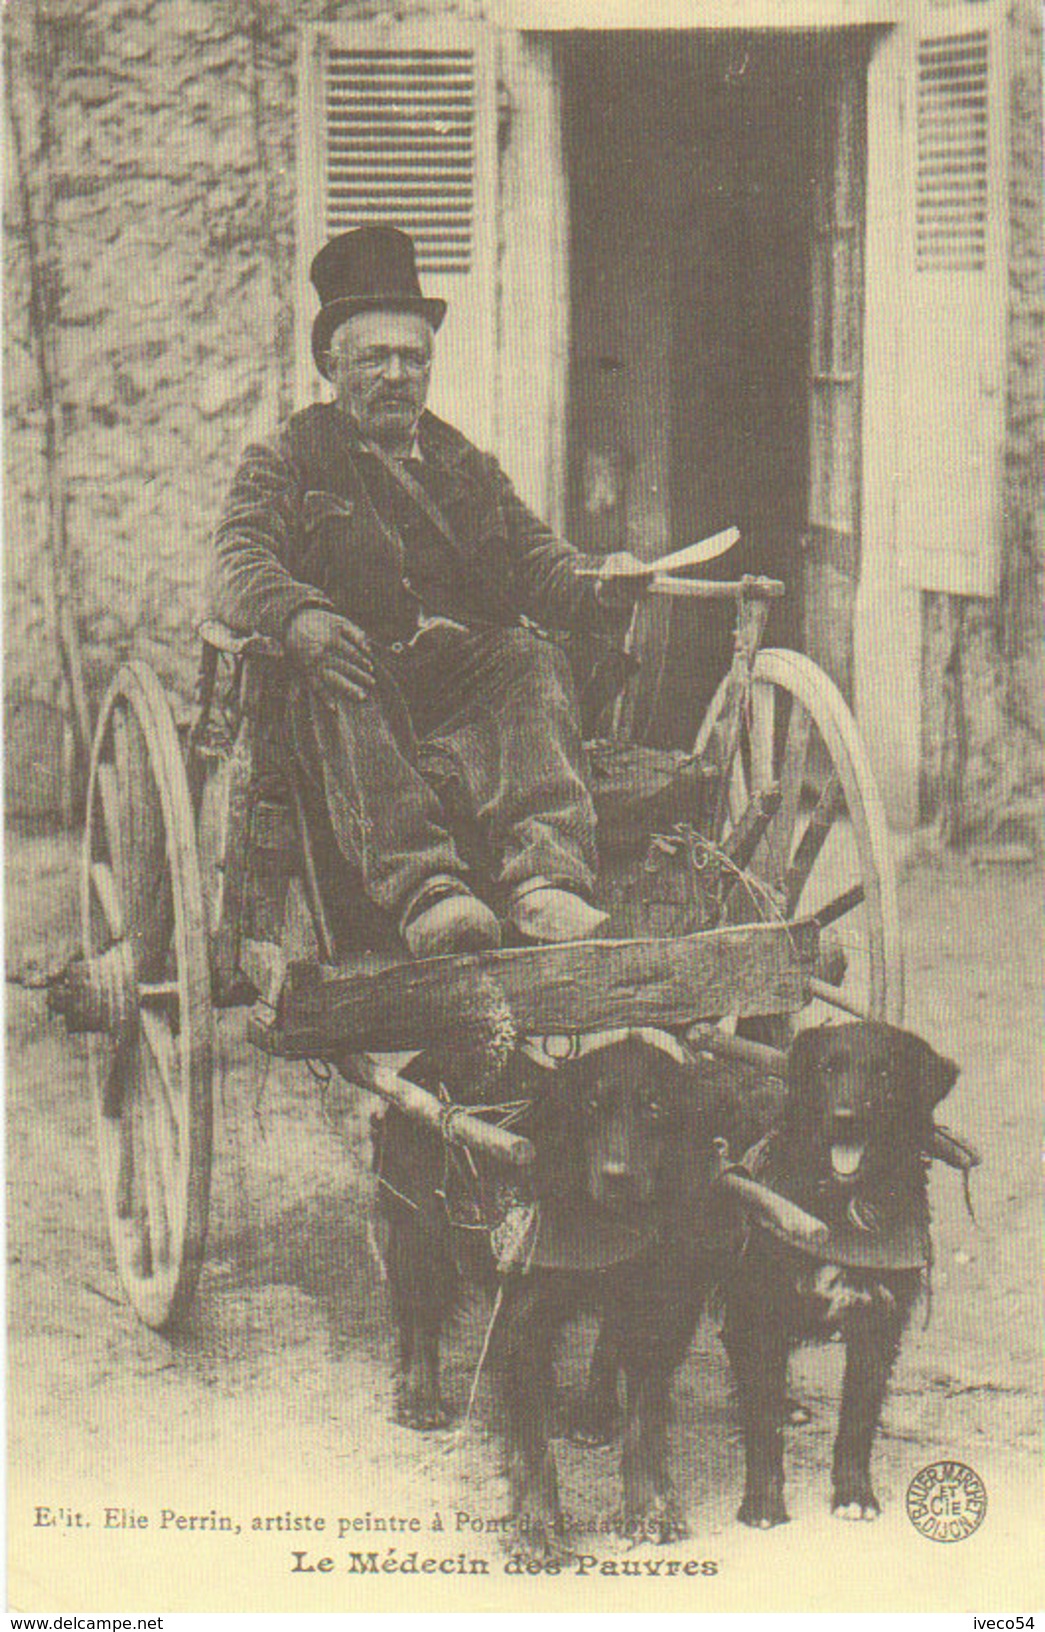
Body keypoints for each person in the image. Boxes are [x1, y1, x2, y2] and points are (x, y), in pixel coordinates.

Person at [213, 225, 648, 958]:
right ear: (330, 364)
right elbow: (235, 560)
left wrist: (598, 582)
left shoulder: (465, 466)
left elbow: (539, 562)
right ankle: (429, 893)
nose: (394, 375)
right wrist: (295, 618)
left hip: (457, 681)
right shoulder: (286, 458)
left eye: (412, 358)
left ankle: (546, 884)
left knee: (525, 656)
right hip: (354, 690)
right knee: (340, 665)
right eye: (373, 357)